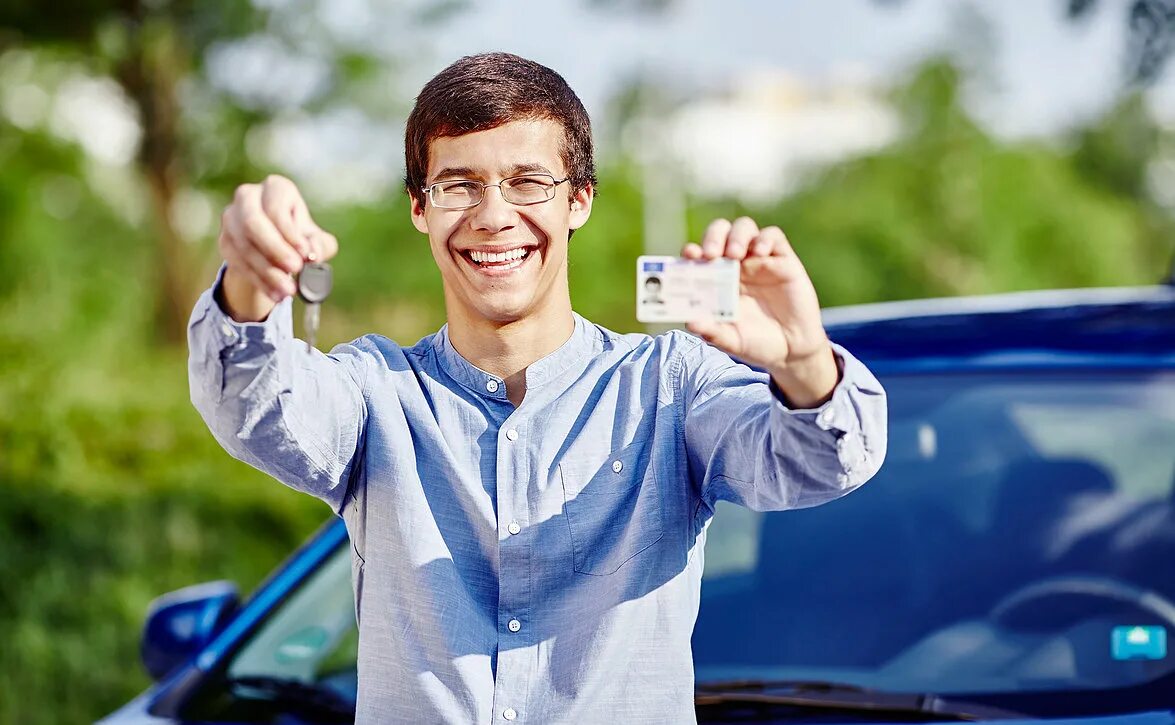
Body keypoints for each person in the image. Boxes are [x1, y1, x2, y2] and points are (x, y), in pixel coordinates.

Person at [189, 52, 887, 725]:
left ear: (579, 200)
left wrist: (801, 361)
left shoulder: (669, 388)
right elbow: (256, 408)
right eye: (458, 185)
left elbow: (823, 463)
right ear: (418, 208)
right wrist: (250, 281)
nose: (492, 215)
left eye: (528, 182)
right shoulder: (376, 393)